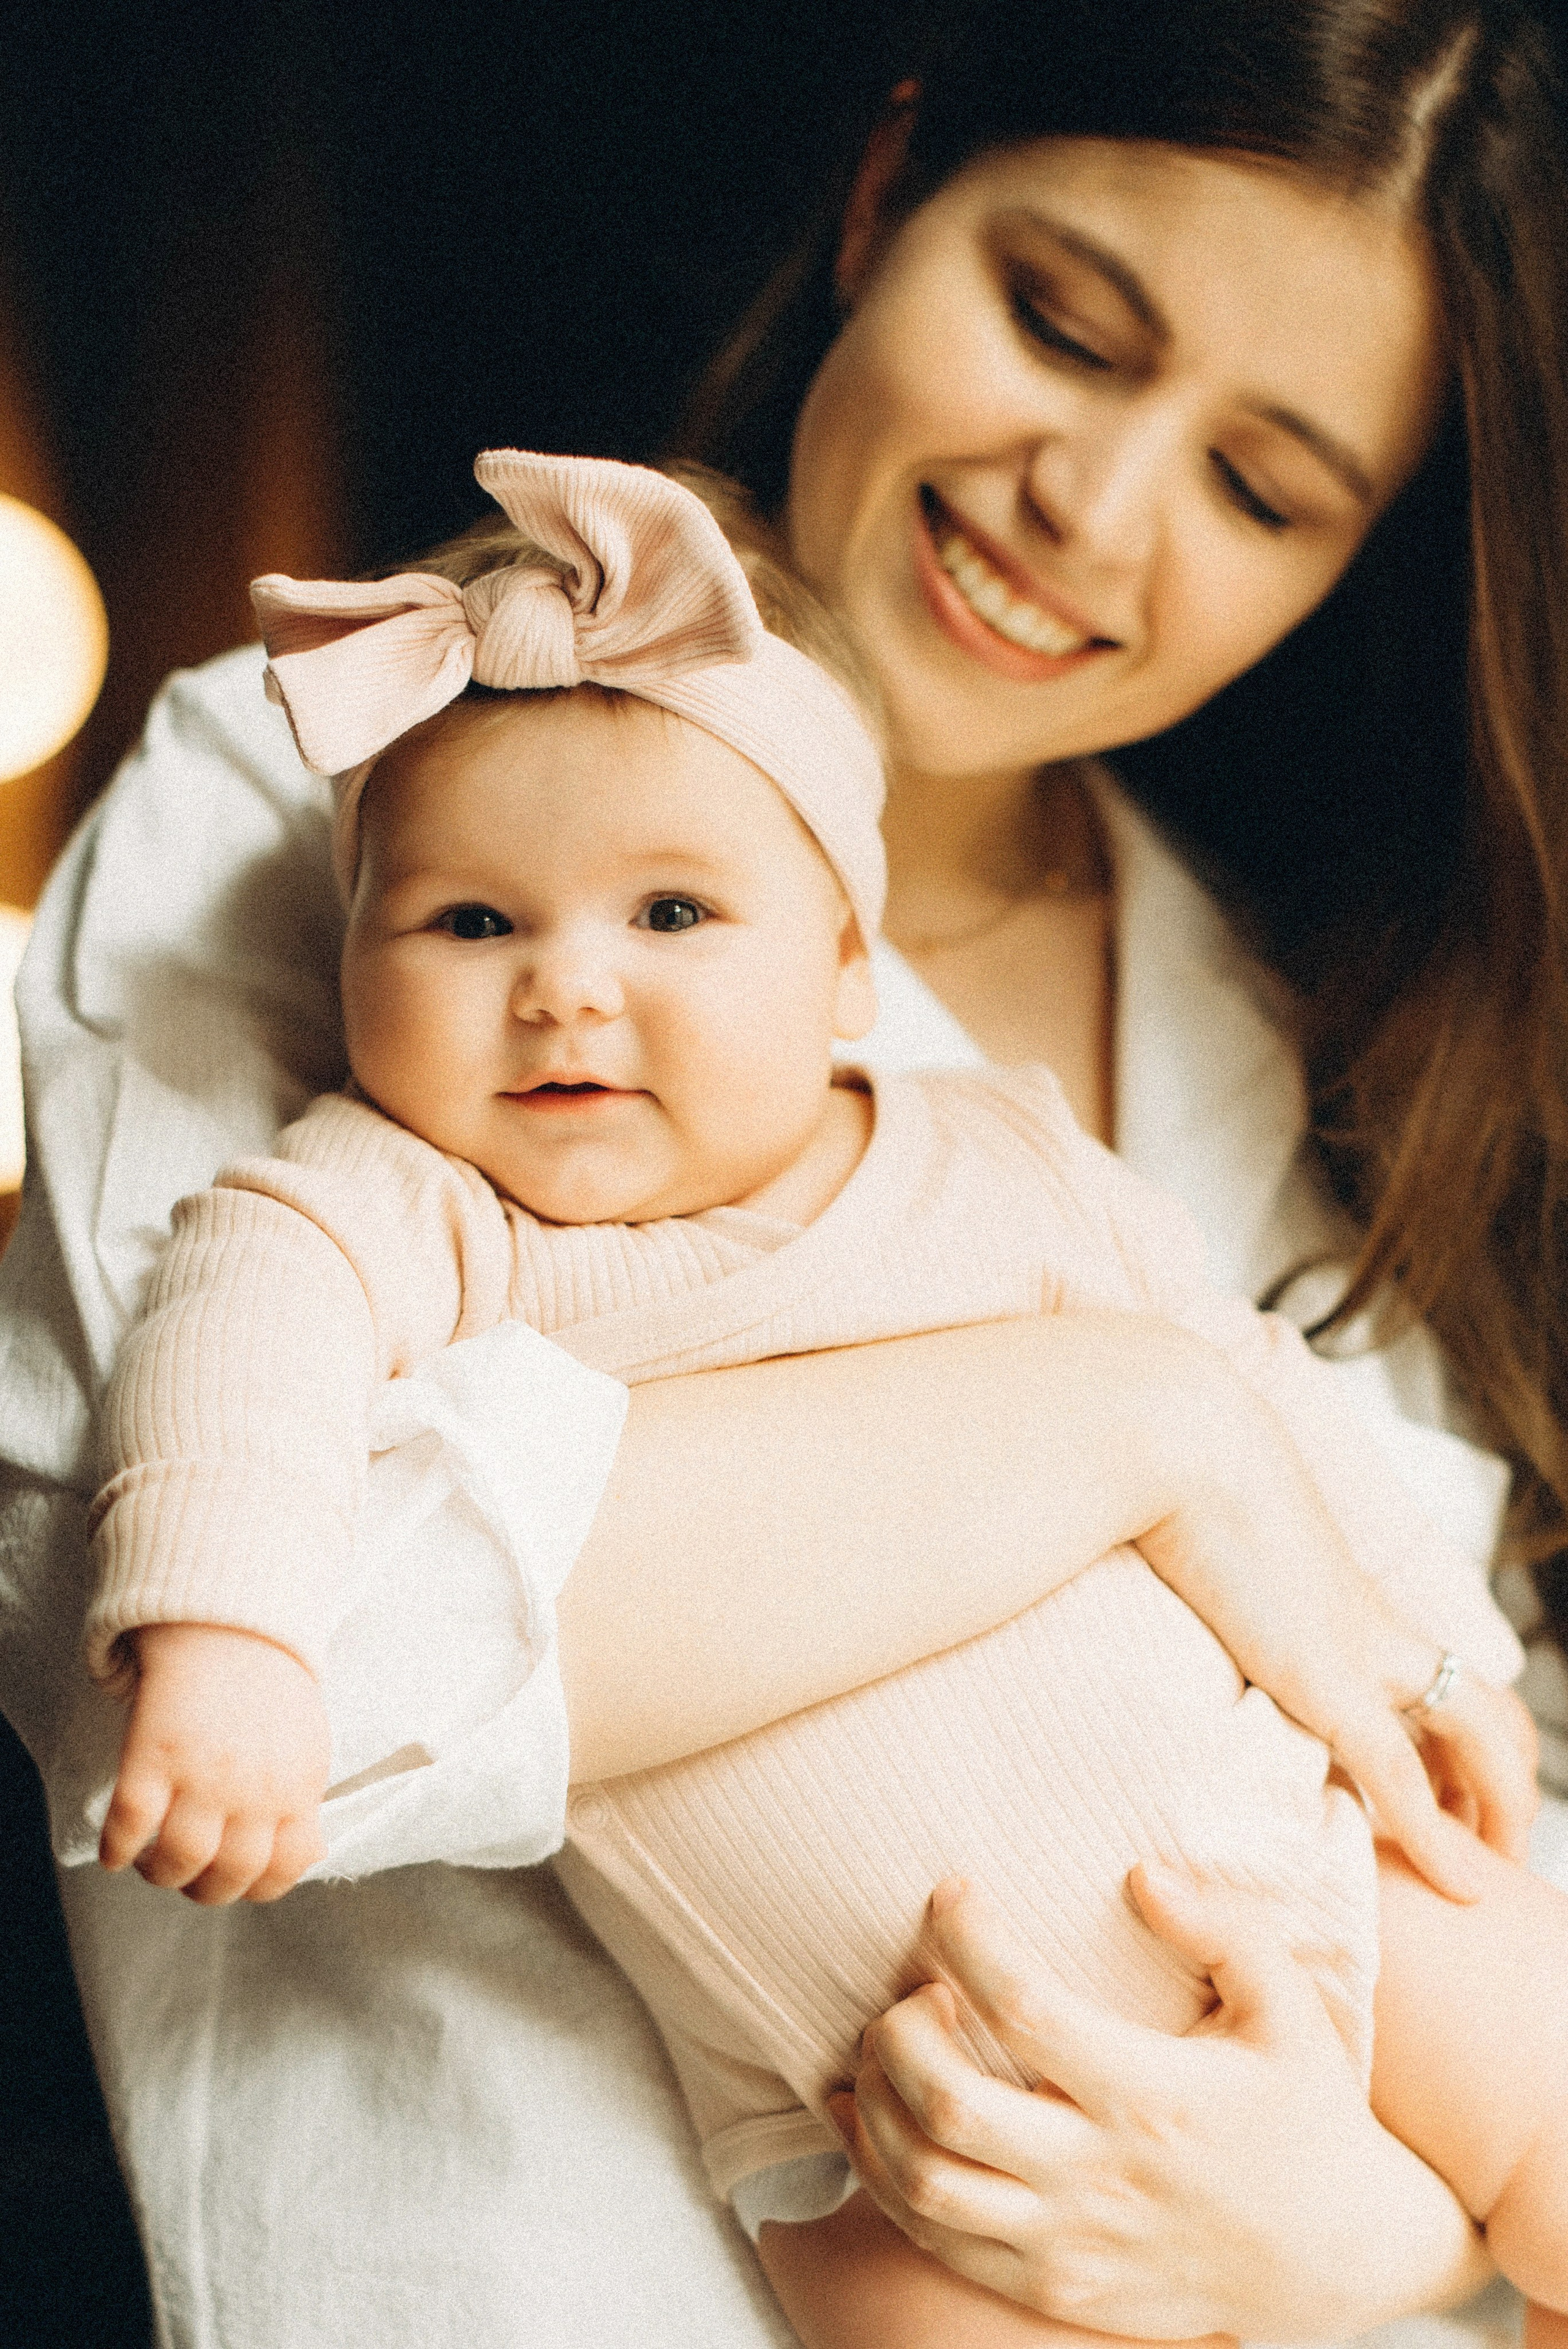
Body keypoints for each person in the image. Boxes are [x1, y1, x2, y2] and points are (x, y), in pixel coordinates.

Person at [1, 1, 1565, 2342]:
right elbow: (302, 1653)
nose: (1096, 507)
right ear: (887, 185)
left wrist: (1371, 2245)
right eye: (1060, 320)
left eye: (1265, 487)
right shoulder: (326, 824)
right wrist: (1131, 1419)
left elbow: (1477, 1797)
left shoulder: (1308, 1061)